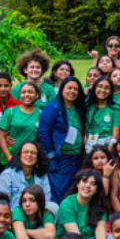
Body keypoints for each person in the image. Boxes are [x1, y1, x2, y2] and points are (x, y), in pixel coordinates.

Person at [38, 76, 85, 205]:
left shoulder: (77, 107)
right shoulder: (53, 107)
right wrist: (51, 155)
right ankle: (58, 221)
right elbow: (43, 132)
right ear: (62, 89)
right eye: (69, 88)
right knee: (59, 190)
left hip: (76, 157)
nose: (72, 91)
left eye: (76, 89)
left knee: (73, 188)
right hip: (60, 157)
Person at [56, 169, 110, 239]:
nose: (88, 186)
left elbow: (100, 231)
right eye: (85, 181)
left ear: (97, 189)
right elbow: (76, 236)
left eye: (93, 184)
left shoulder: (99, 204)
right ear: (78, 184)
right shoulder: (67, 204)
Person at [0, 141, 52, 209]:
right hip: (15, 215)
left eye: (33, 153)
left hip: (37, 214)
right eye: (26, 152)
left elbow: (46, 199)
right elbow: (2, 203)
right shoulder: (7, 175)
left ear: (38, 157)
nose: (29, 155)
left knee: (52, 206)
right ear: (20, 155)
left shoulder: (42, 175)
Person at [0, 81, 43, 164]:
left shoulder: (41, 114)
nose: (26, 95)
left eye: (30, 92)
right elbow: (0, 135)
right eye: (23, 92)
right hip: (10, 158)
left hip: (29, 159)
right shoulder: (11, 111)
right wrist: (8, 157)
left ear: (37, 95)